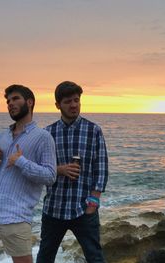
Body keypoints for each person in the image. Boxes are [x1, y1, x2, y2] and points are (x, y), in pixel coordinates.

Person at [0, 84, 57, 263]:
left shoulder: (43, 137)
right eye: (8, 101)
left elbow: (50, 176)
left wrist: (21, 162)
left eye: (15, 99)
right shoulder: (2, 136)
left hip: (15, 216)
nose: (10, 103)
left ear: (30, 102)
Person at [37, 81, 109, 263]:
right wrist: (59, 170)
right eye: (68, 101)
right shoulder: (48, 133)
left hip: (83, 208)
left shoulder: (93, 131)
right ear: (58, 105)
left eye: (76, 100)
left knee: (95, 257)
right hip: (54, 208)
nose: (74, 105)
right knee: (45, 257)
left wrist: (93, 202)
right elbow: (39, 170)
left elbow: (100, 168)